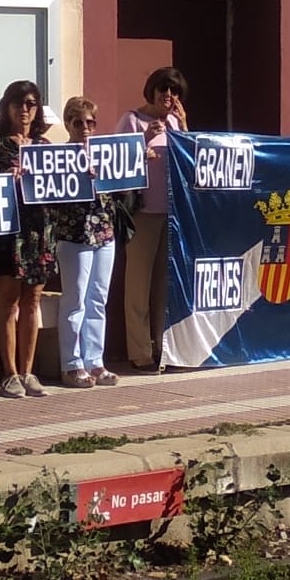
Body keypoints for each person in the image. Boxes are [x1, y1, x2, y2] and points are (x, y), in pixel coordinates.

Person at [0, 81, 56, 397]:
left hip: (39, 233)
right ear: (6, 106)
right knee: (8, 301)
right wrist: (4, 180)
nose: (25, 109)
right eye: (18, 102)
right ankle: (9, 373)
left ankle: (28, 370)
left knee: (32, 300)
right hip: (9, 232)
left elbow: (61, 188)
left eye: (31, 103)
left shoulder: (45, 146)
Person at [115, 67, 186, 372]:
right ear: (151, 90)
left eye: (173, 91)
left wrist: (183, 124)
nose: (167, 95)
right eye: (162, 88)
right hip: (141, 213)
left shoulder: (174, 122)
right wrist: (143, 140)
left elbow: (189, 158)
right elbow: (115, 162)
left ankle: (163, 348)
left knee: (163, 285)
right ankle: (140, 351)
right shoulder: (131, 119)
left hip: (170, 213)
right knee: (138, 285)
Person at [50, 97, 123, 388]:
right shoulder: (59, 156)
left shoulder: (105, 153)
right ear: (68, 123)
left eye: (90, 122)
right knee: (75, 299)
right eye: (78, 122)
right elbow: (52, 192)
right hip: (74, 234)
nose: (85, 128)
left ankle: (95, 361)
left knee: (98, 299)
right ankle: (71, 363)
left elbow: (124, 180)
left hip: (104, 232)